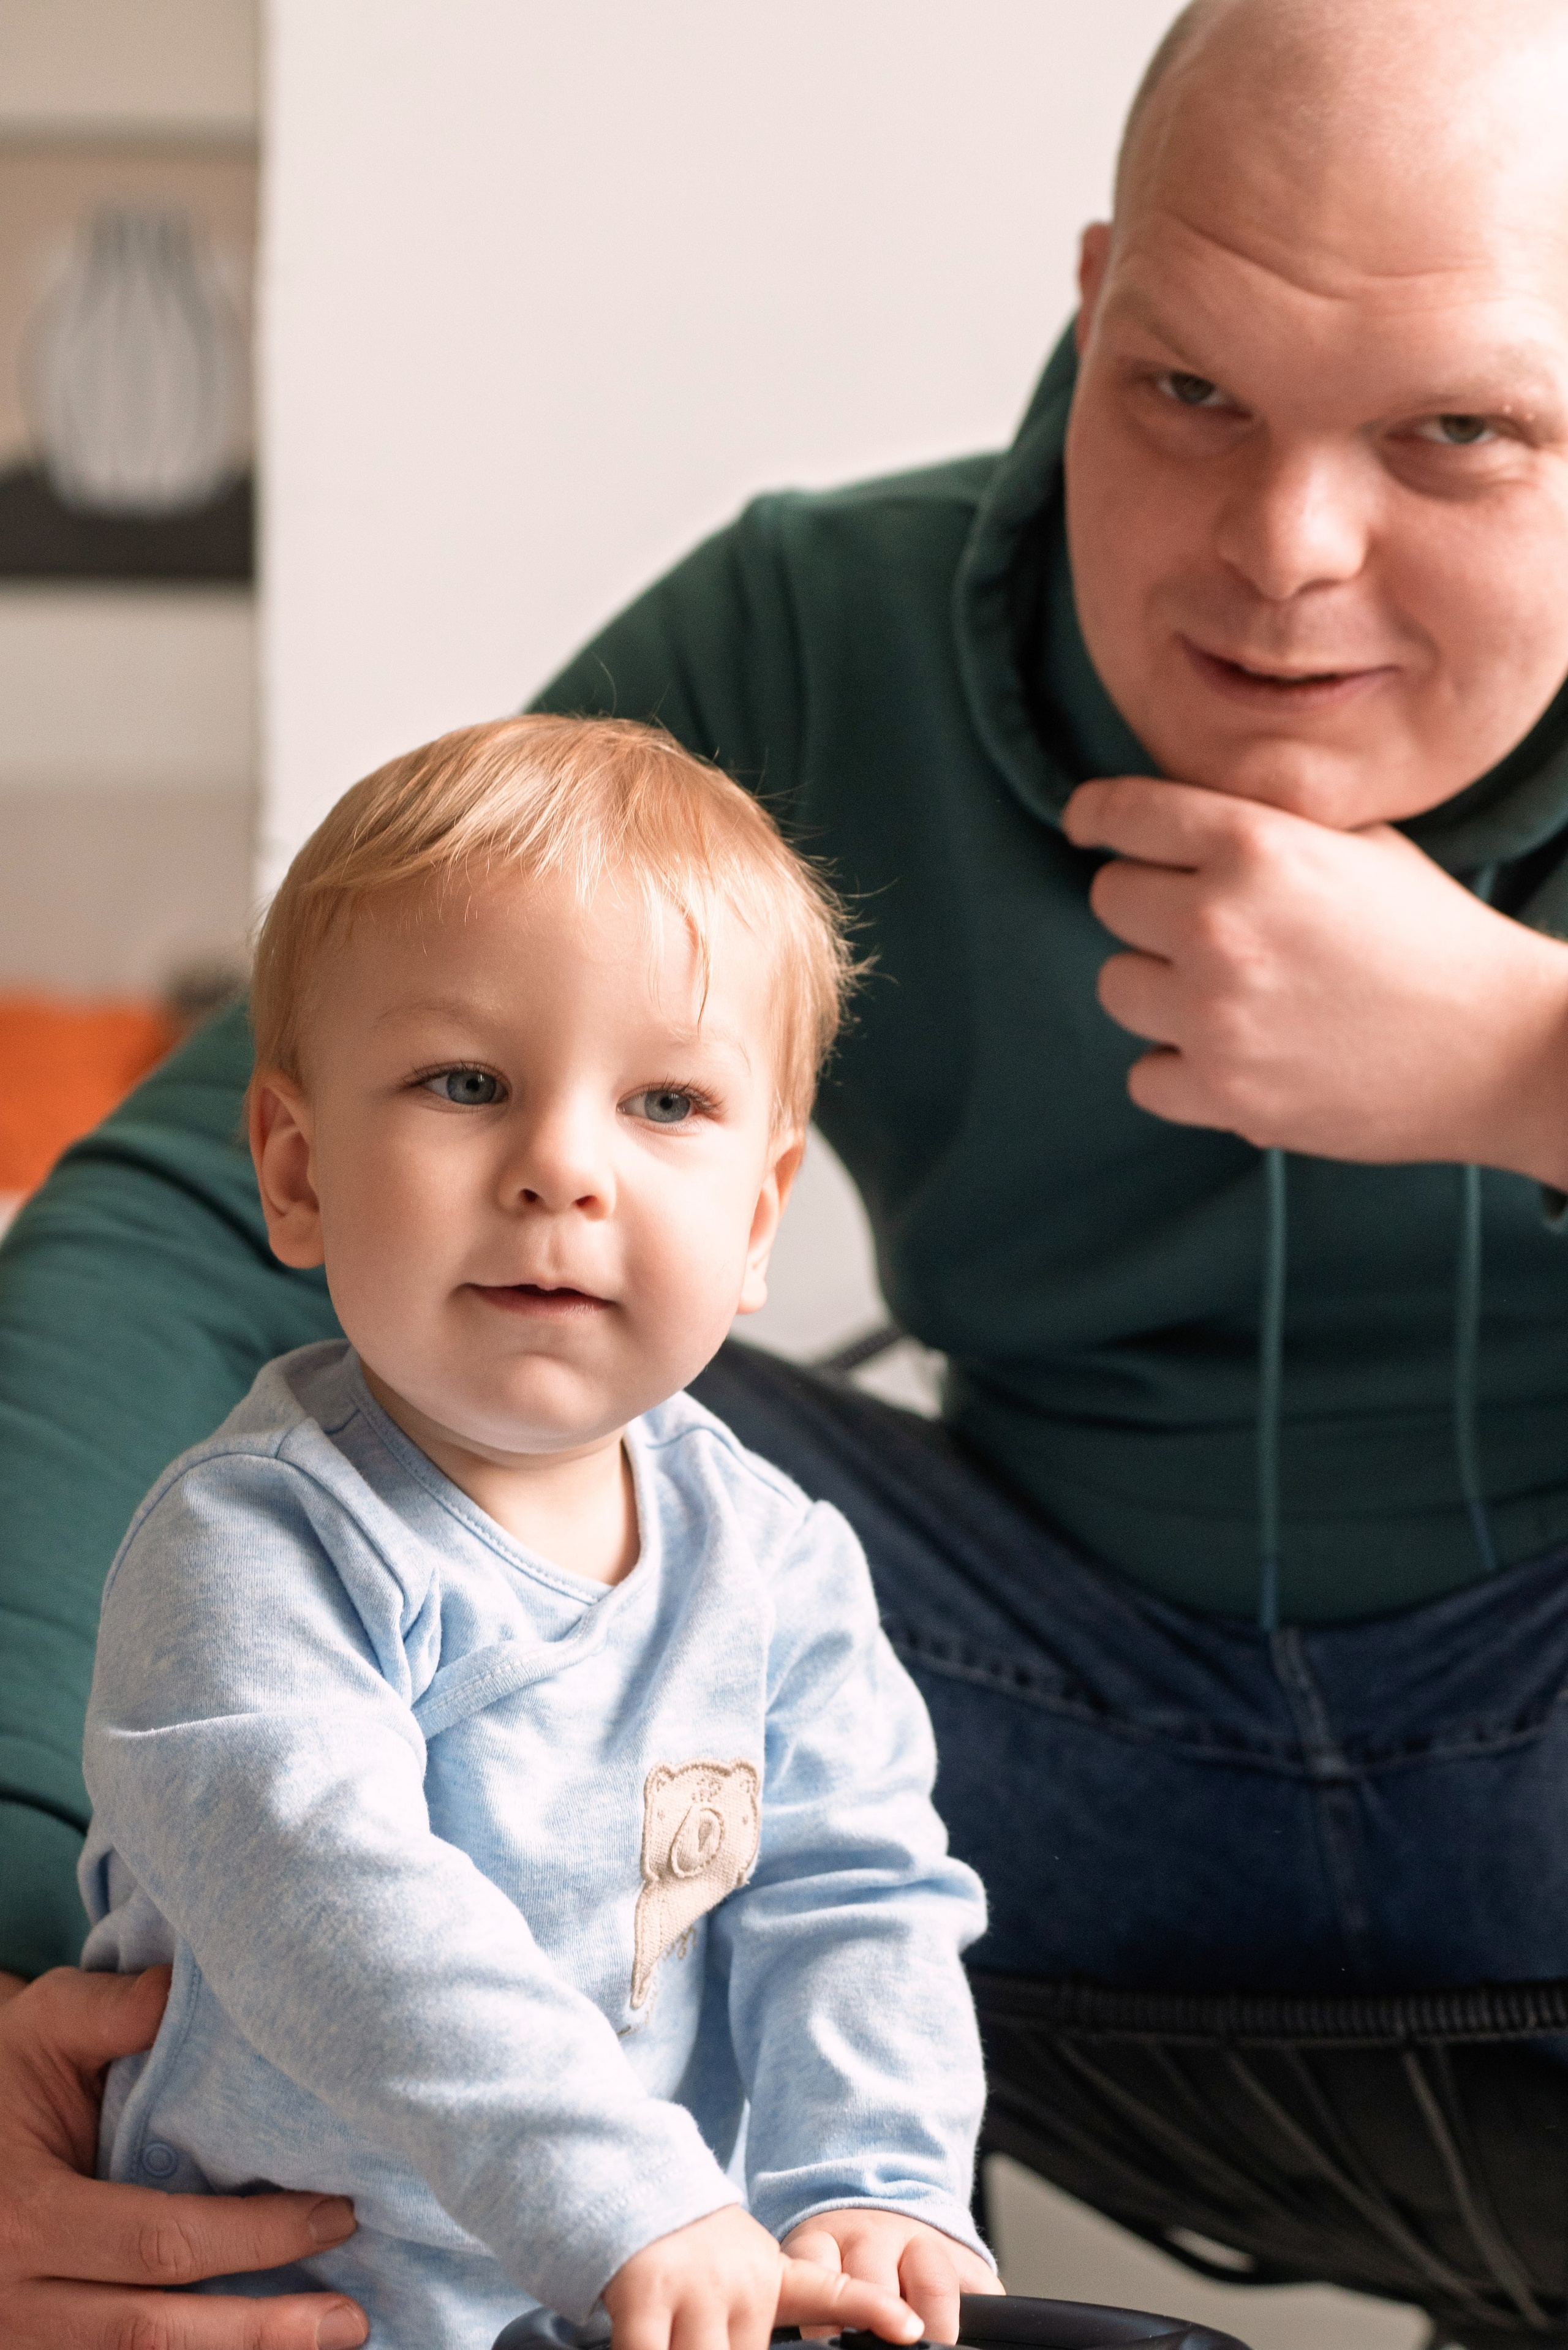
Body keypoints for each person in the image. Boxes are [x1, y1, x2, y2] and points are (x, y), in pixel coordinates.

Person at [9, 0, 1568, 2340]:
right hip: (1029, 1715)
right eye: (1188, 389)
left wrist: (1533, 1059)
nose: (1286, 548)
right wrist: (18, 1983)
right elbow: (182, 1222)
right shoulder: (820, 632)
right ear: (1092, 309)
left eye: (1458, 431)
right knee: (501, 1399)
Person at [77, 714, 994, 2350]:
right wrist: (620, 2194)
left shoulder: (777, 1562)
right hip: (286, 2313)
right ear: (298, 1170)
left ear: (759, 1216)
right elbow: (337, 1907)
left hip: (649, 2307)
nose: (562, 1166)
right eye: (468, 1083)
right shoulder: (254, 1548)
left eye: (666, 1101)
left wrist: (877, 2182)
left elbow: (854, 1895)